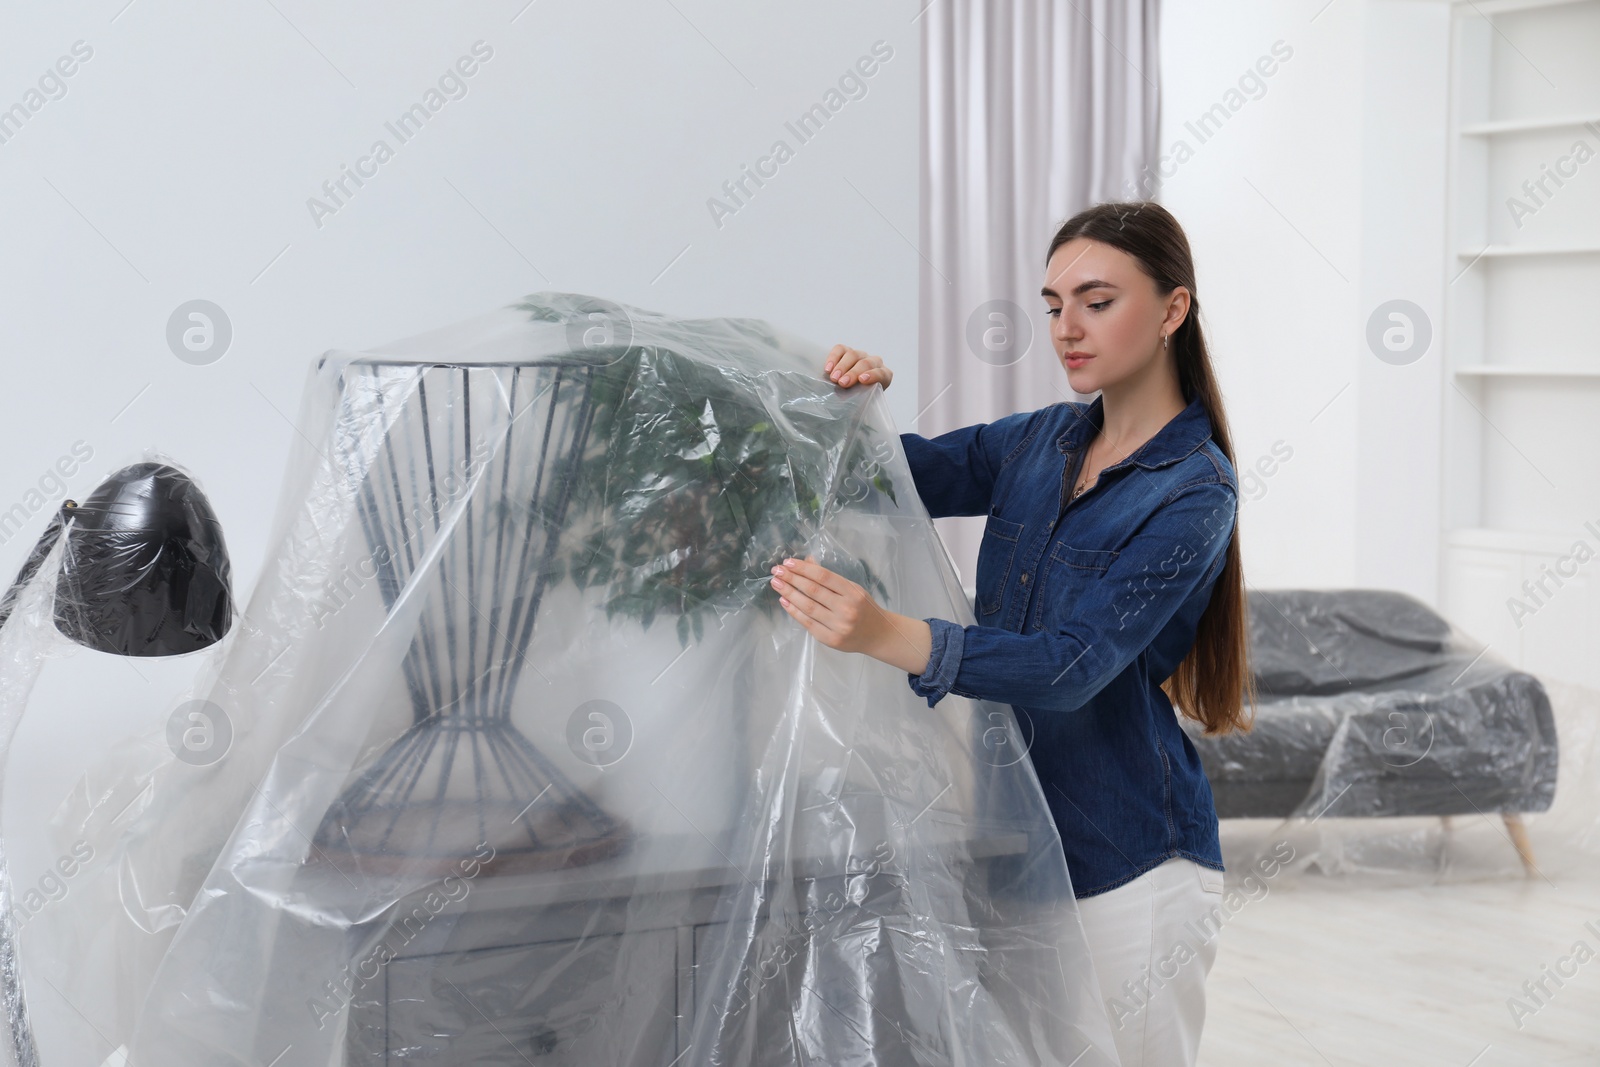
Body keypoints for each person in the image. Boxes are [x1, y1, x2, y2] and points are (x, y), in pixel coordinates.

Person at [766, 199, 1256, 1067]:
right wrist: (852, 404)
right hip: (1012, 847)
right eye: (1053, 303)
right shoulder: (1039, 443)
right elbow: (886, 476)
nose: (1067, 327)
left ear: (1173, 310)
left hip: (1128, 863)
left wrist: (889, 633)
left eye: (1097, 301)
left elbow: (1071, 666)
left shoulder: (1194, 491)